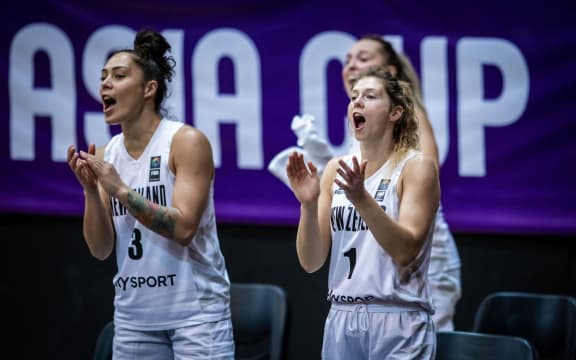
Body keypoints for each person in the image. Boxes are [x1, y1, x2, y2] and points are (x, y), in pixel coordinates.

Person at [269, 34, 462, 331]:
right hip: (363, 285)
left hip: (423, 262)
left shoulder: (411, 124)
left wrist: (360, 194)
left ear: (391, 74)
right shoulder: (358, 130)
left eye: (363, 58)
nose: (351, 66)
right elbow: (312, 259)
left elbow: (418, 176)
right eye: (346, 61)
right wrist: (321, 180)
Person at [66, 28, 234, 359]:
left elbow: (184, 229)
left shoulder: (185, 141)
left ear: (149, 88)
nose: (105, 84)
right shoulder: (106, 154)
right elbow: (100, 249)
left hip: (196, 317)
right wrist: (90, 192)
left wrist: (121, 190)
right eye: (103, 77)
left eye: (118, 75)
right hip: (134, 318)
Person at [287, 67, 438, 358]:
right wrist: (307, 204)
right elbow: (311, 261)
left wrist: (361, 199)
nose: (357, 102)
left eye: (370, 96)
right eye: (354, 96)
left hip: (398, 318)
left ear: (395, 112)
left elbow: (406, 250)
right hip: (341, 316)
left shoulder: (416, 167)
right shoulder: (335, 169)